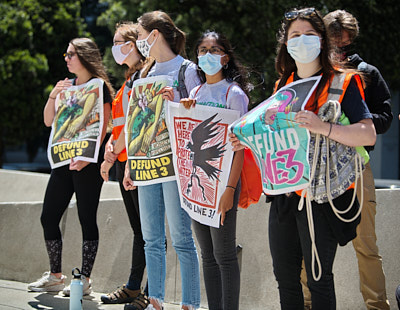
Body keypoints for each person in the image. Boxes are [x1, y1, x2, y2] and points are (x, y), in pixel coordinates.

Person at [230, 7, 376, 309]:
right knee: (284, 276)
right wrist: (244, 140)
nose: (302, 40)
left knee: (319, 279)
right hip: (285, 194)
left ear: (322, 41)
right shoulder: (282, 87)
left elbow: (368, 134)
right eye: (295, 35)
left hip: (322, 196)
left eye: (310, 34)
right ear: (286, 43)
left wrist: (323, 126)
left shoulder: (342, 81)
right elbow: (273, 140)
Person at [123, 10, 201, 310]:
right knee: (151, 239)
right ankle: (154, 299)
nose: (139, 43)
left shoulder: (187, 70)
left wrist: (176, 103)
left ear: (154, 35)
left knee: (181, 237)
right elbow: (135, 123)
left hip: (173, 166)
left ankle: (190, 302)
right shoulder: (144, 74)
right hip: (146, 165)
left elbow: (198, 115)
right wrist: (131, 164)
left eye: (141, 36)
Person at [27, 38, 114, 296]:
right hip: (63, 161)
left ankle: (85, 280)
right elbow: (48, 120)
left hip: (87, 163)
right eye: (66, 53)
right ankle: (55, 275)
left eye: (71, 54)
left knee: (87, 218)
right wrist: (54, 94)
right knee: (48, 217)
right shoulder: (66, 86)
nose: (66, 58)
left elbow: (104, 127)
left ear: (85, 56)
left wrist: (90, 157)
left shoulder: (99, 88)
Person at [322, 10, 392, 310]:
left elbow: (385, 118)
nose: (339, 50)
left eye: (345, 44)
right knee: (309, 243)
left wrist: (350, 121)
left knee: (366, 244)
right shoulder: (311, 72)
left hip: (355, 162)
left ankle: (377, 306)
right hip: (315, 165)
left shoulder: (366, 72)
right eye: (333, 43)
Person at [180, 30, 249, 310]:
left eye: (215, 49)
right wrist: (186, 111)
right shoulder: (195, 92)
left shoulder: (235, 94)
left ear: (226, 57)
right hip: (198, 184)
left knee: (224, 254)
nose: (208, 55)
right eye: (203, 50)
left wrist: (230, 189)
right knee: (206, 254)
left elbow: (240, 148)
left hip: (223, 184)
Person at [99, 22, 151, 308]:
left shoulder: (143, 77)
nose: (116, 48)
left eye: (120, 41)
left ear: (133, 44)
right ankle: (134, 287)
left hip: (137, 163)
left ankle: (148, 290)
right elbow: (120, 125)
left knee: (150, 232)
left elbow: (135, 126)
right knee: (140, 231)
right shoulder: (129, 79)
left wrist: (111, 153)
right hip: (124, 162)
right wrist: (111, 145)